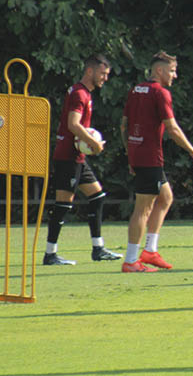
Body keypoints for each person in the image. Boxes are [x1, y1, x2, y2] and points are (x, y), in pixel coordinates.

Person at [120, 51, 193, 272]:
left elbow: (123, 125)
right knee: (142, 210)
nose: (175, 75)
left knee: (165, 197)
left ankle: (150, 252)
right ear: (159, 70)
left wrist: (131, 154)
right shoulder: (160, 93)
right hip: (149, 157)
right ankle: (130, 261)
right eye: (172, 70)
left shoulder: (136, 90)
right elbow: (173, 128)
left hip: (139, 155)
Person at [44, 54, 122, 266]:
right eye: (103, 73)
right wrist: (94, 143)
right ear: (90, 71)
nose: (105, 78)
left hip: (77, 157)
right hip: (68, 157)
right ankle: (50, 254)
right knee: (63, 204)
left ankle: (98, 249)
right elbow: (73, 124)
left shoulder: (84, 93)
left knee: (97, 196)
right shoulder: (80, 93)